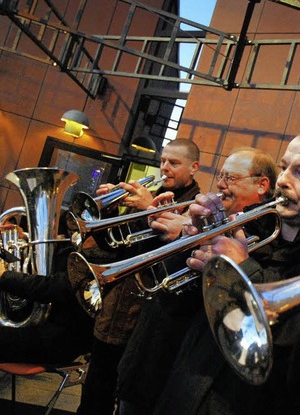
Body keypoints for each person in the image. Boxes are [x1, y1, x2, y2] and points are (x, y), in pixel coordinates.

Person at [119, 132, 300, 415]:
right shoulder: (248, 226)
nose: (283, 179)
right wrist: (192, 244)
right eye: (284, 167)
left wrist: (242, 269)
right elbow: (176, 310)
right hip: (184, 394)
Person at [117, 147, 278, 415]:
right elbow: (162, 283)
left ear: (262, 185)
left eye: (231, 178)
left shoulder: (261, 238)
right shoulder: (217, 219)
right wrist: (163, 228)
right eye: (221, 176)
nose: (221, 184)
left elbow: (192, 304)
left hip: (176, 368)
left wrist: (190, 238)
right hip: (150, 355)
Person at [76, 138, 201, 415]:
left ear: (194, 167)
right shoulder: (148, 192)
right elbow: (115, 248)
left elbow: (173, 260)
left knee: (127, 400)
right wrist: (105, 212)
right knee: (94, 394)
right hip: (112, 313)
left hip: (144, 322)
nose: (164, 168)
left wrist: (150, 210)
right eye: (163, 161)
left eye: (174, 163)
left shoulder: (195, 209)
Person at [0, 224, 93, 364]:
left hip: (59, 338)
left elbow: (51, 287)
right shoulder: (74, 246)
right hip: (44, 325)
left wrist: (4, 276)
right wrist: (19, 242)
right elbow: (24, 269)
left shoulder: (96, 255)